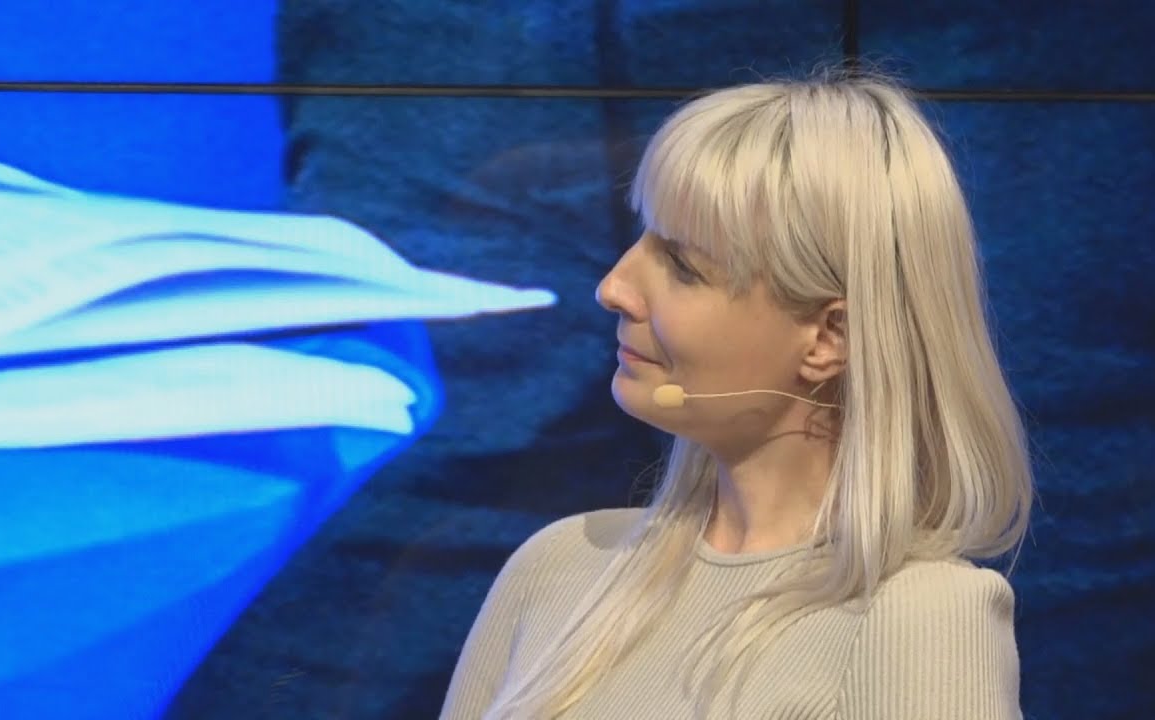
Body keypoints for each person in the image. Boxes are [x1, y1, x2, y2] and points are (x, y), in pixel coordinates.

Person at [440, 67, 1034, 720]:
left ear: (829, 336)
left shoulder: (919, 618)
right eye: (642, 237)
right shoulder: (558, 568)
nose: (613, 287)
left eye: (683, 265)